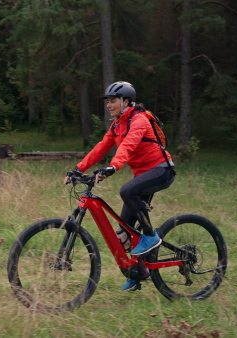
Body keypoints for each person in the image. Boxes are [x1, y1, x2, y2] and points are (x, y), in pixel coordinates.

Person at [64, 81, 176, 291]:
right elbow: (100, 148)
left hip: (162, 170)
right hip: (144, 175)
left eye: (113, 101)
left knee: (127, 190)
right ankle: (138, 272)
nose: (109, 105)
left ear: (126, 101)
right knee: (124, 234)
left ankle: (151, 236)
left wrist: (113, 167)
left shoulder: (139, 119)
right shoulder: (117, 125)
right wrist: (78, 168)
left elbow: (129, 144)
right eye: (108, 101)